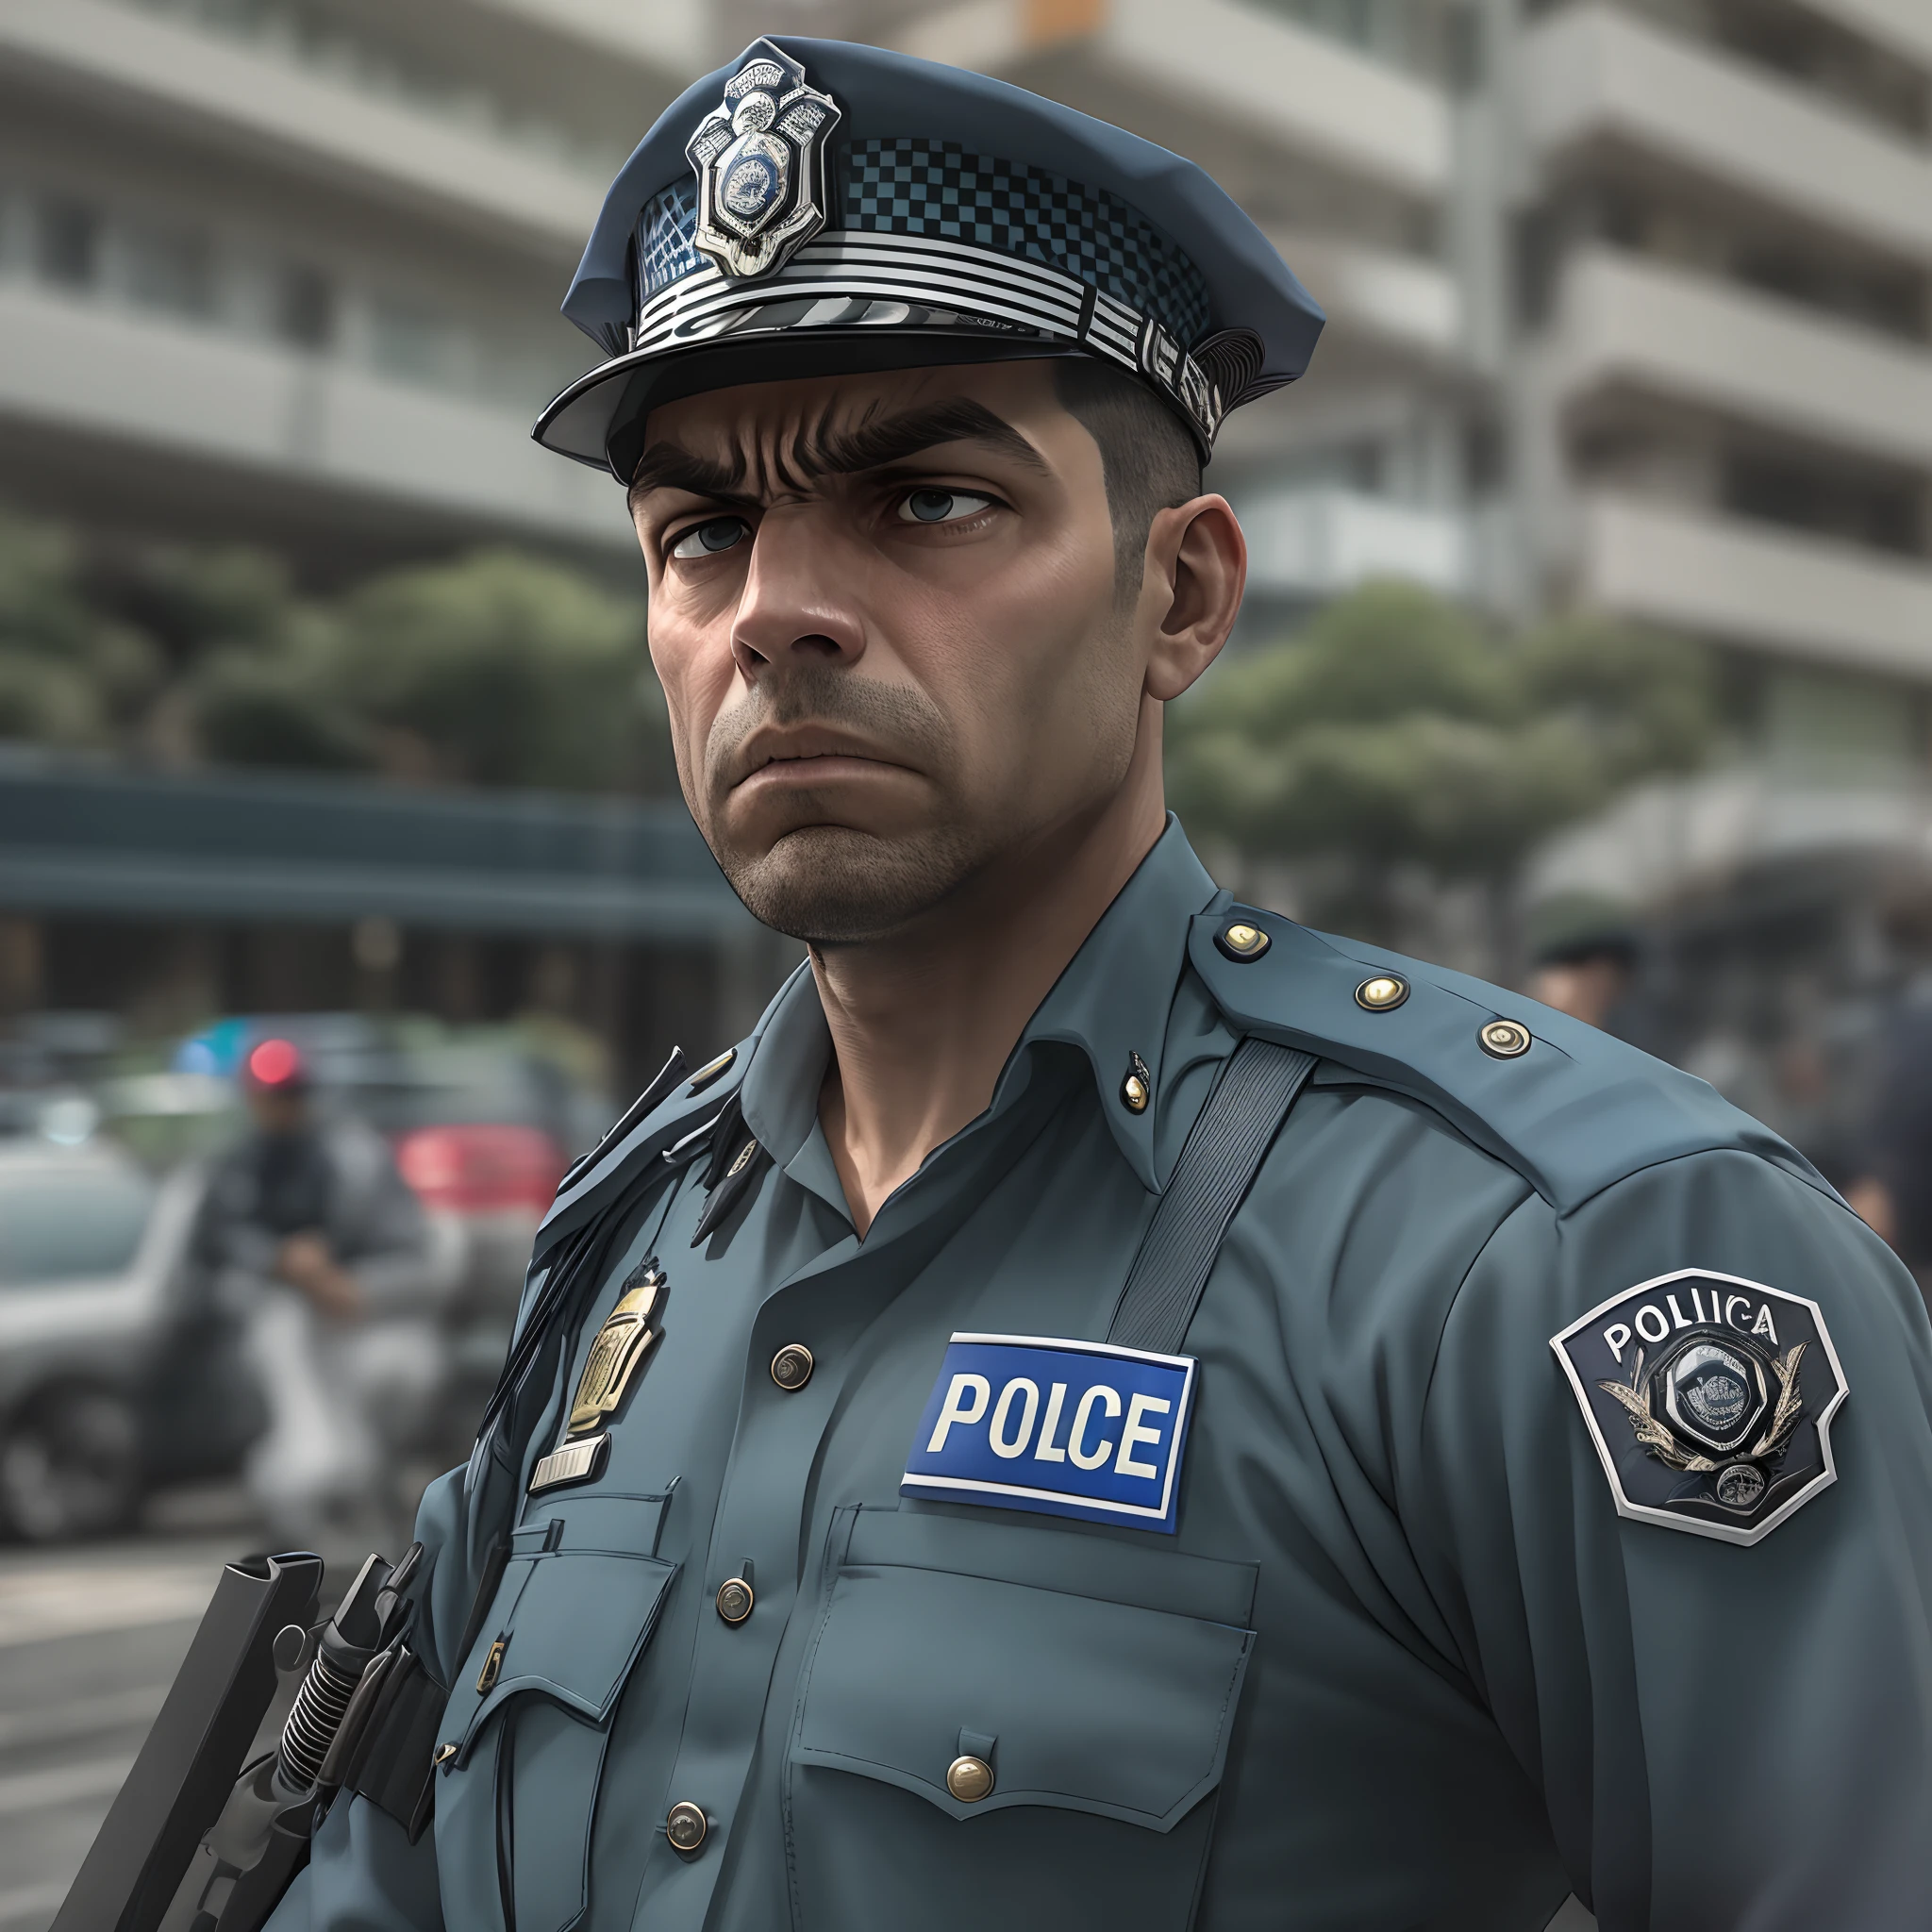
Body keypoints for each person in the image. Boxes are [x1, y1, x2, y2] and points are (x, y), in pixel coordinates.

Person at [273, 40, 1932, 1932]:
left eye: (927, 502)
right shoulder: (616, 1273)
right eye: (699, 531)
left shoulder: (1554, 1256)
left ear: (1181, 600)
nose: (771, 609)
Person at [194, 1036, 456, 1542]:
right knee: (308, 1457)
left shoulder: (352, 1161)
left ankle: (369, 1515)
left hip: (362, 1330)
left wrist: (349, 1287)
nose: (280, 1108)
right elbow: (210, 1258)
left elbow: (417, 1260)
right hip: (280, 1339)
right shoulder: (236, 1169)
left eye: (290, 1094)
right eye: (269, 1094)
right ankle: (309, 1523)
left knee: (396, 1374)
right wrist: (279, 1262)